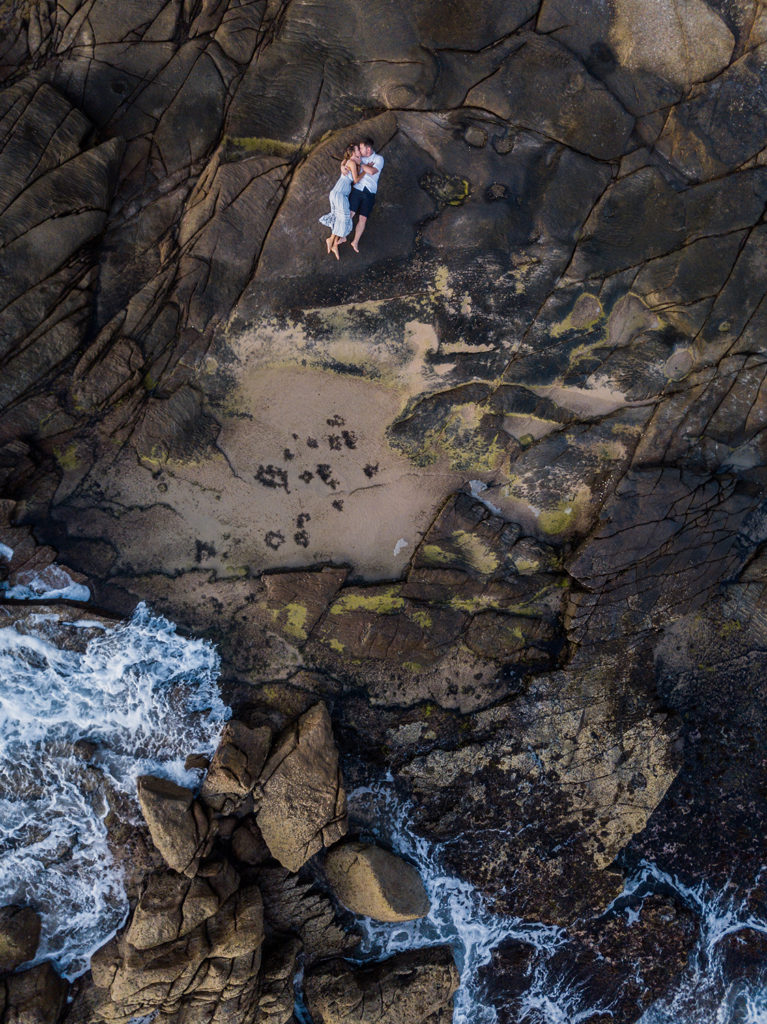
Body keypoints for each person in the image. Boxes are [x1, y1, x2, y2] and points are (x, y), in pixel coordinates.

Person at [319, 145, 363, 259]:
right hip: (339, 194)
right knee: (344, 217)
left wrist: (342, 166)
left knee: (341, 219)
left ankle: (334, 244)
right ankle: (331, 240)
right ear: (353, 152)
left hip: (339, 193)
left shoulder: (351, 161)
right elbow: (356, 180)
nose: (359, 151)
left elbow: (344, 161)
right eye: (358, 149)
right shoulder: (352, 163)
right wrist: (365, 171)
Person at [348, 136, 384, 253]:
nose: (360, 150)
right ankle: (340, 236)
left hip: (370, 192)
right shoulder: (360, 157)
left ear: (368, 149)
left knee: (363, 218)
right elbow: (347, 160)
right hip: (358, 189)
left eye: (361, 148)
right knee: (350, 214)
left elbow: (372, 171)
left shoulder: (379, 159)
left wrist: (361, 164)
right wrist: (343, 166)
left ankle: (355, 241)